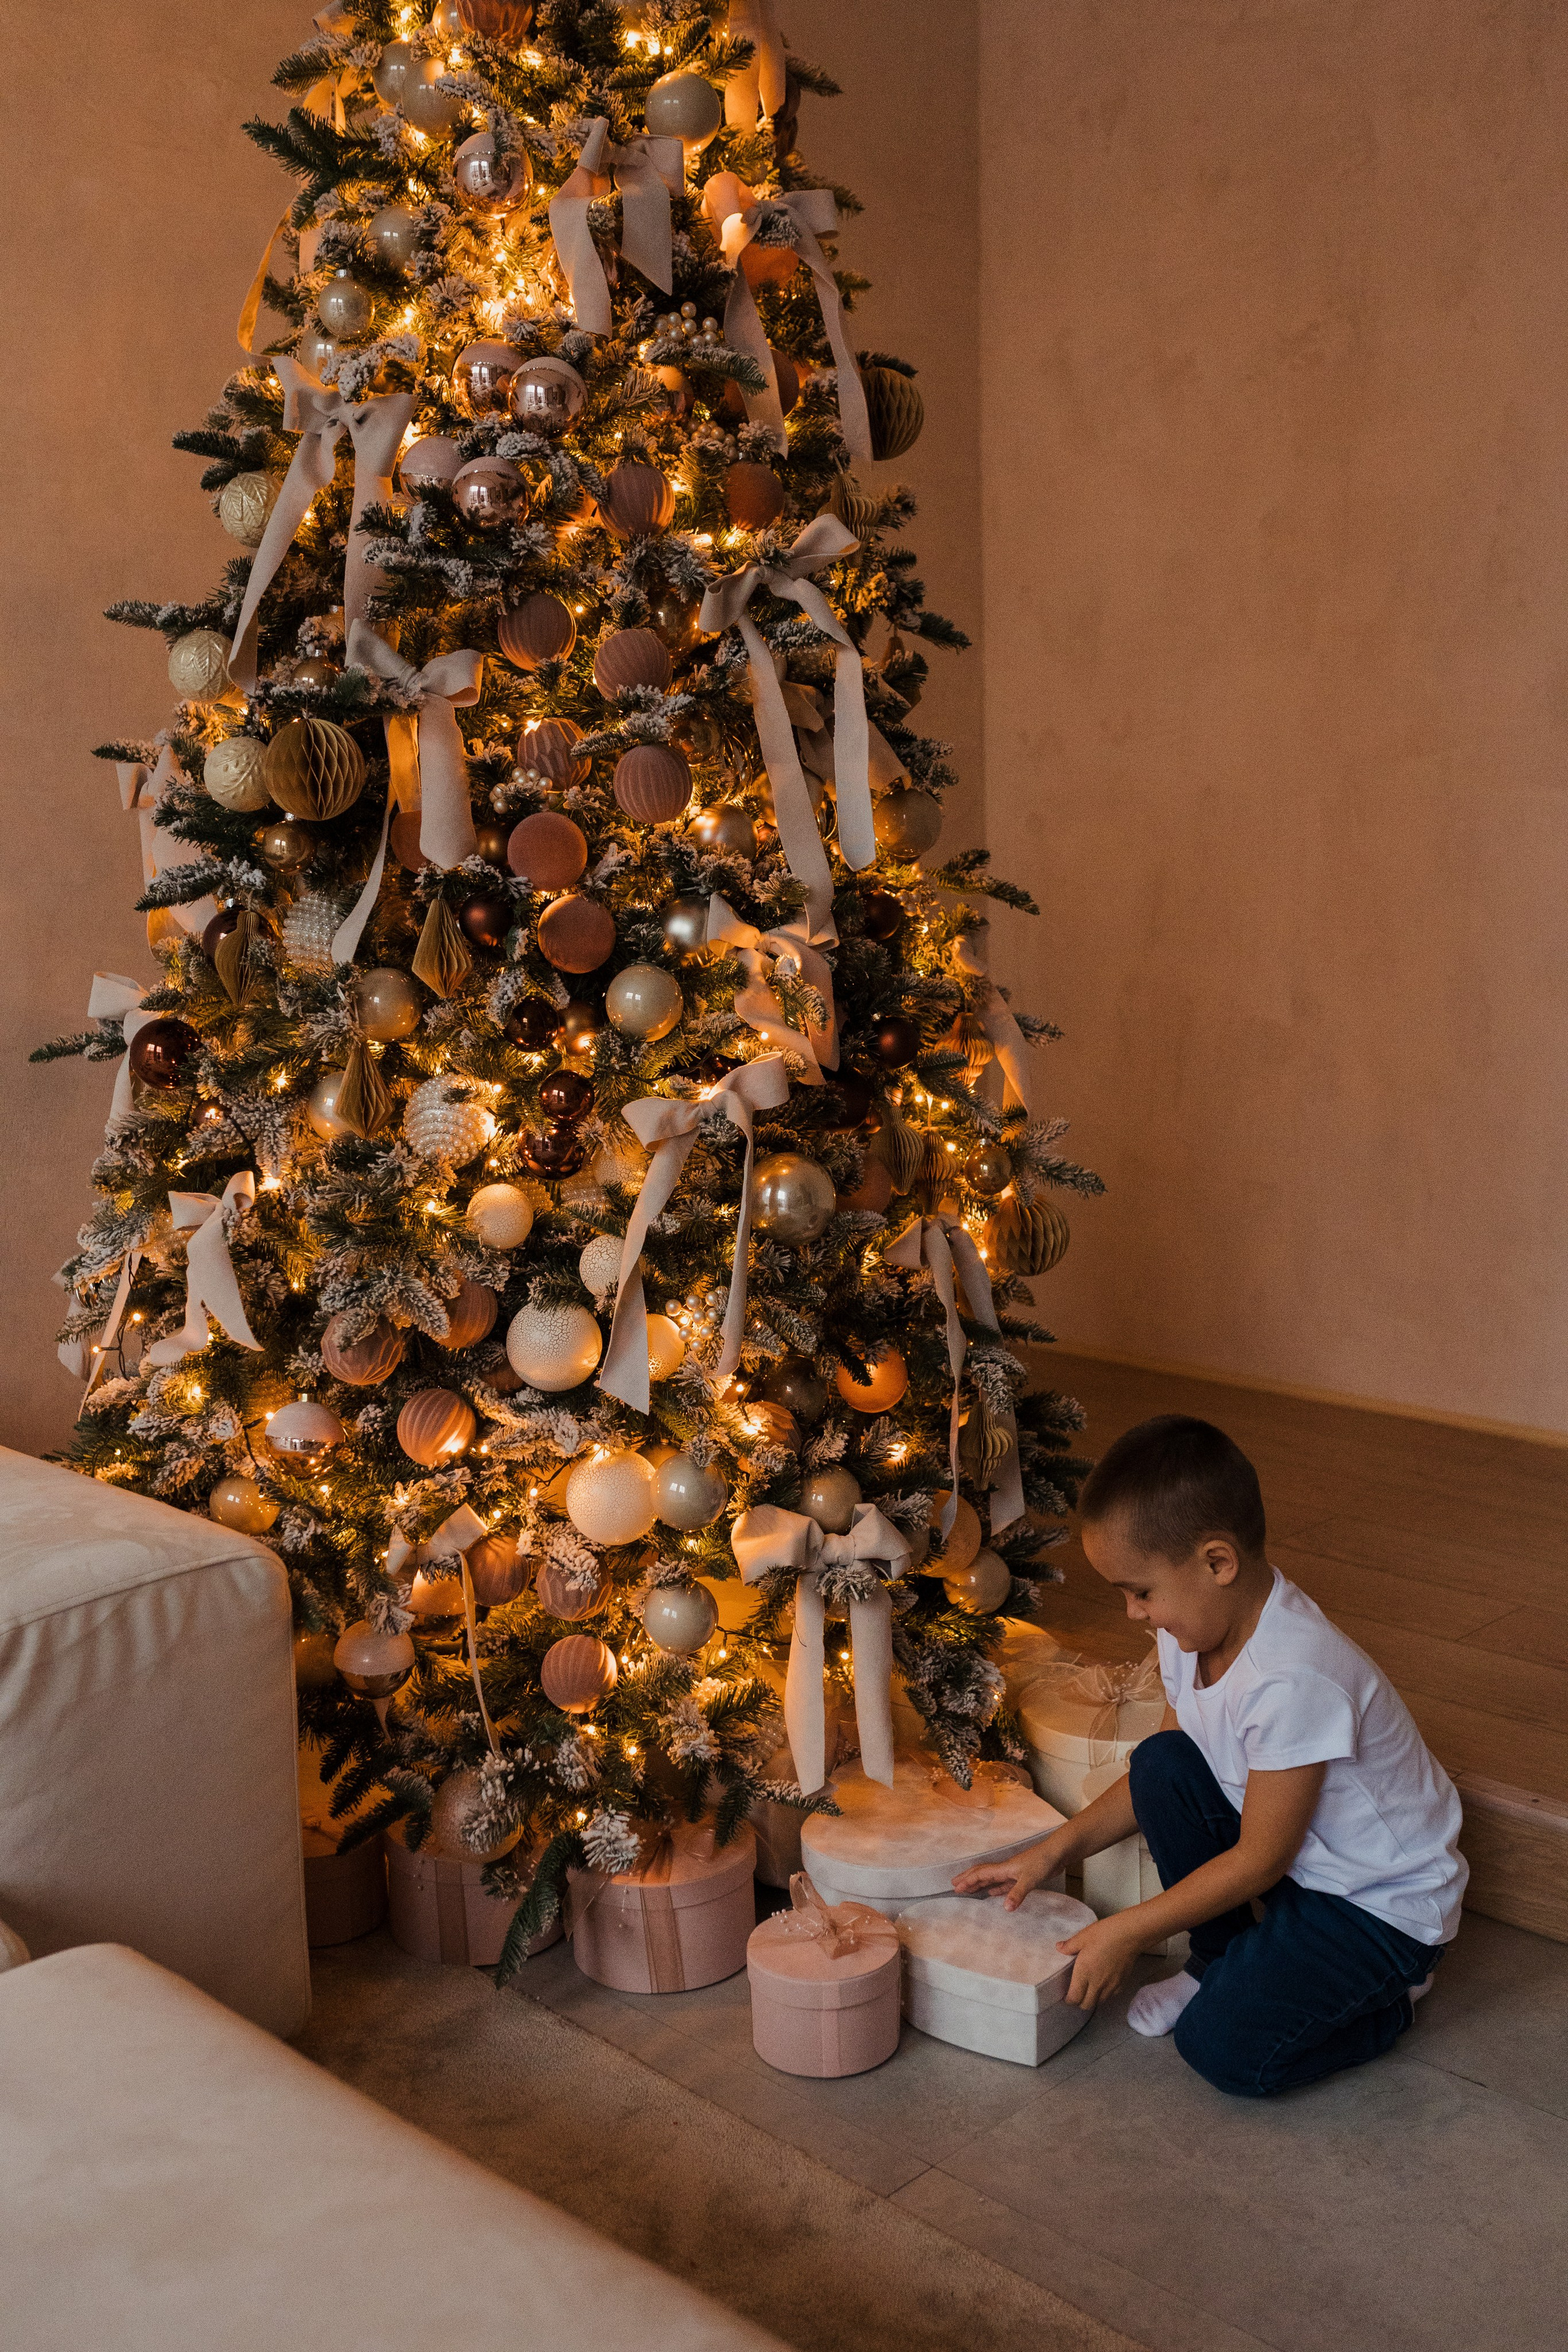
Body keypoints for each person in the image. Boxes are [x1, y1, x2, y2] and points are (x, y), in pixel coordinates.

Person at [954, 1414, 1467, 2097]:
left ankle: (1391, 2001)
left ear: (1217, 1563)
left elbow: (1261, 1859)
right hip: (1307, 1868)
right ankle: (1217, 1958)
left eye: (1141, 1591)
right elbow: (1170, 1771)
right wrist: (1052, 1851)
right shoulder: (1189, 1631)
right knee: (1163, 1763)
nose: (1134, 1613)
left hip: (1376, 1905)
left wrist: (1128, 1931)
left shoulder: (1293, 1679)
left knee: (1224, 2051)